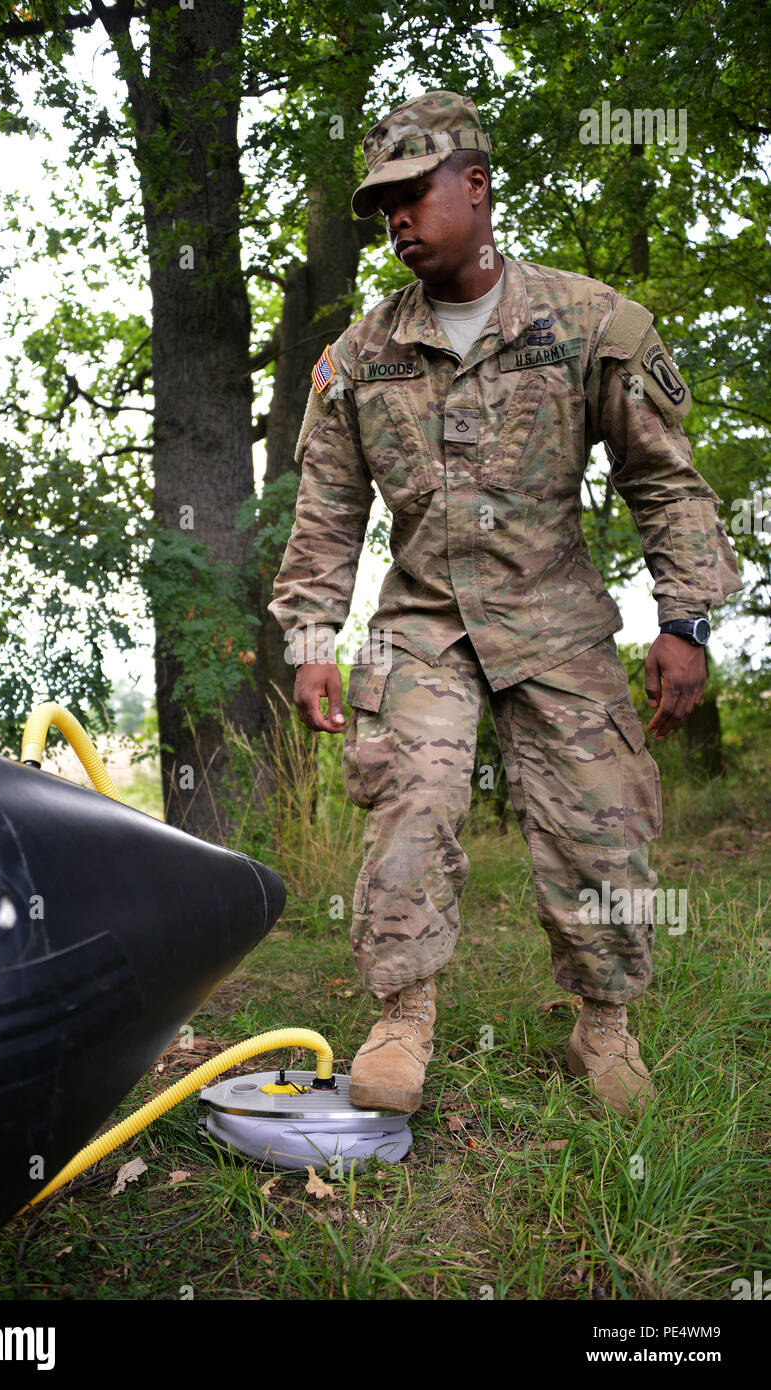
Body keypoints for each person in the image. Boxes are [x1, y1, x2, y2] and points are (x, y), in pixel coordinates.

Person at [267, 91, 742, 1119]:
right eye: (380, 203)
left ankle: (602, 1029)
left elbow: (665, 480)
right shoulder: (357, 360)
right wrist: (312, 639)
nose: (395, 218)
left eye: (411, 193)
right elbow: (326, 516)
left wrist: (683, 621)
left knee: (603, 824)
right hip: (423, 625)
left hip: (555, 615)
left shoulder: (589, 323)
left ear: (476, 187)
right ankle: (403, 1016)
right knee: (411, 803)